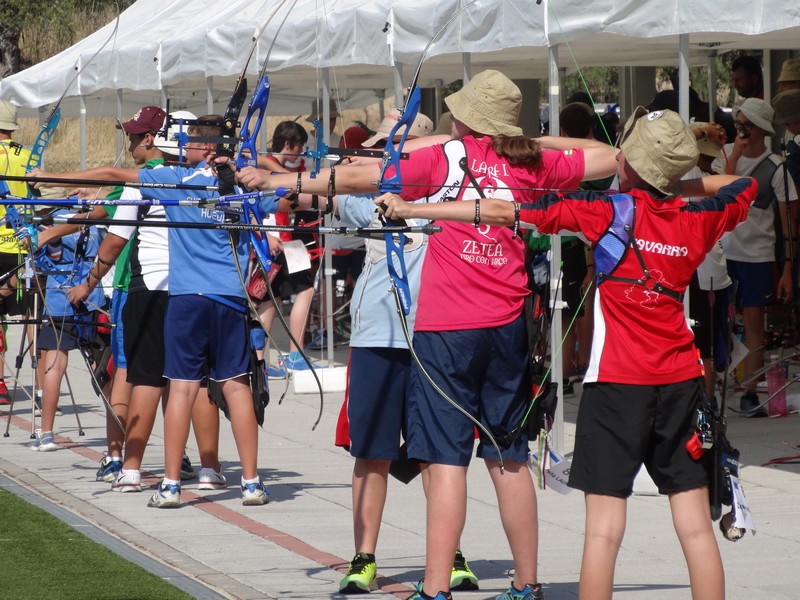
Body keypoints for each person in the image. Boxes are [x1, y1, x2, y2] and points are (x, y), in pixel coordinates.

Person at [239, 69, 620, 600]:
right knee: (507, 456)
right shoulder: (534, 162)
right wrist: (525, 142)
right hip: (509, 327)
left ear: (465, 118)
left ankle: (435, 588)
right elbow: (608, 156)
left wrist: (278, 182)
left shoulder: (443, 158)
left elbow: (355, 178)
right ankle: (527, 583)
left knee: (445, 461)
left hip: (446, 332)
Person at [377, 107, 757, 600]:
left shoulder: (608, 211)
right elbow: (740, 187)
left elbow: (498, 210)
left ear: (632, 165)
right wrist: (670, 190)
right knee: (696, 528)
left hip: (617, 386)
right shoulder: (700, 217)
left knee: (603, 531)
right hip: (682, 384)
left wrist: (413, 210)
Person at [30, 115, 277, 507]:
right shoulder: (246, 189)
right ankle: (246, 480)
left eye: (189, 144)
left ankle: (163, 481)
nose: (182, 149)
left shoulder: (175, 182)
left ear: (206, 149)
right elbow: (290, 190)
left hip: (182, 298)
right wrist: (252, 166)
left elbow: (114, 182)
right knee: (233, 385)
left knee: (172, 384)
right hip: (230, 300)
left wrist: (51, 177)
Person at [331, 109, 478, 595]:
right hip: (377, 334)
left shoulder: (454, 191)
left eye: (402, 149)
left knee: (440, 455)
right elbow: (342, 194)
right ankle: (363, 557)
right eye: (385, 149)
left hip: (435, 335)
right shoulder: (366, 192)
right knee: (371, 451)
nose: (391, 156)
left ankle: (451, 555)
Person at [712, 98, 798, 417]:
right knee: (720, 322)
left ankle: (755, 392)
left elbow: (789, 220)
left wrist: (788, 267)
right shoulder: (726, 155)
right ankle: (722, 384)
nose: (741, 130)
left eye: (747, 126)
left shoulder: (776, 166)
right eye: (739, 124)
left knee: (754, 326)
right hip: (724, 253)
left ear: (761, 130)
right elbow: (725, 192)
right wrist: (733, 154)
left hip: (758, 256)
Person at [254, 121, 319, 373]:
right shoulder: (266, 167)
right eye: (299, 145)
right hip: (280, 241)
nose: (301, 150)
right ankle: (294, 354)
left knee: (272, 299)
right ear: (288, 144)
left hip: (287, 241)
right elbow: (260, 204)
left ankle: (260, 359)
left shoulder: (288, 167)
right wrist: (268, 236)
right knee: (304, 291)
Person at [0, 99, 33, 405]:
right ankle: (44, 380)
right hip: (23, 243)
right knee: (30, 316)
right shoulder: (28, 154)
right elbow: (41, 188)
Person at [772, 89, 800, 195]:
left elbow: (794, 187)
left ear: (795, 122)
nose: (786, 128)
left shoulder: (794, 147)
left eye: (787, 124)